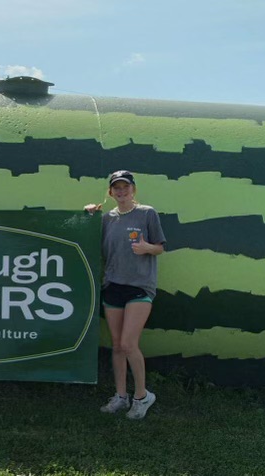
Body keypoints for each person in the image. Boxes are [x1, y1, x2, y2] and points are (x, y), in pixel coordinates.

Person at [85, 170, 166, 419]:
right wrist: (88, 214)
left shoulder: (147, 213)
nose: (121, 192)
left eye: (125, 187)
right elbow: (90, 238)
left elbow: (160, 248)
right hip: (113, 285)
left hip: (140, 287)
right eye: (116, 188)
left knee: (130, 344)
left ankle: (142, 396)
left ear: (133, 190)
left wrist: (146, 248)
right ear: (110, 192)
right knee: (118, 346)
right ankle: (121, 396)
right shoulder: (107, 218)